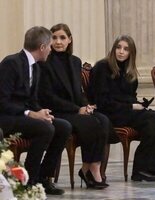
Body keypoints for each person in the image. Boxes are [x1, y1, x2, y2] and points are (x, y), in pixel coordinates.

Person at [88, 34, 155, 181]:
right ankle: (141, 170)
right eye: (118, 47)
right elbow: (103, 101)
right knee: (152, 119)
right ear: (113, 49)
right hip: (109, 113)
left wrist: (139, 105)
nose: (121, 51)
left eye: (126, 49)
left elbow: (129, 96)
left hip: (125, 111)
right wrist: (130, 106)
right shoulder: (102, 67)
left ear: (131, 53)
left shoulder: (129, 71)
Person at [38, 23, 113, 189]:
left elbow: (78, 91)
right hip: (57, 111)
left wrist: (86, 106)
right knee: (91, 123)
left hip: (75, 109)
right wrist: (76, 109)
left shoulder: (75, 61)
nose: (58, 42)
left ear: (69, 40)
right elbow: (48, 96)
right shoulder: (44, 62)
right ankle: (92, 169)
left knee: (103, 120)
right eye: (54, 38)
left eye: (62, 38)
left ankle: (88, 167)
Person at [0, 26, 72, 195]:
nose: (50, 49)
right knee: (45, 128)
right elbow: (2, 101)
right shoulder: (11, 63)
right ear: (41, 47)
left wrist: (41, 112)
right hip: (7, 118)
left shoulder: (36, 67)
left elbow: (32, 101)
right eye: (49, 46)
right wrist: (31, 114)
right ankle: (29, 180)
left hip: (23, 117)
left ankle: (44, 177)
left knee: (63, 126)